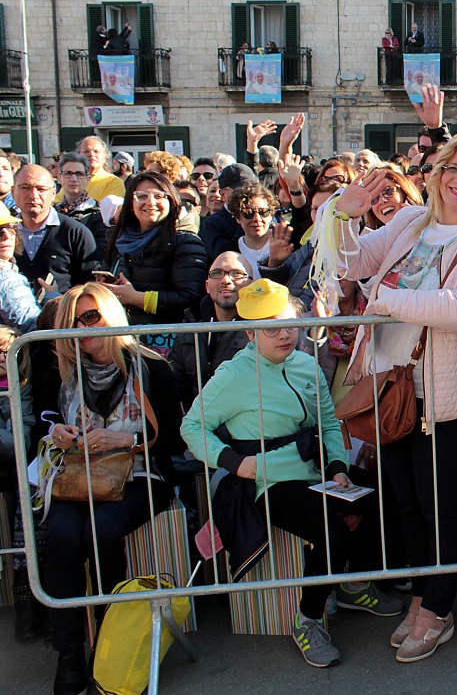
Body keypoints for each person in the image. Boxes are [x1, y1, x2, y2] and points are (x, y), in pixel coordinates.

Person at [315, 130, 457, 663]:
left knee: (440, 506)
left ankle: (439, 609)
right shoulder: (408, 222)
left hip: (441, 397)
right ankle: (423, 594)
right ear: (436, 173)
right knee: (406, 502)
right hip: (387, 385)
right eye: (454, 167)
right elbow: (350, 266)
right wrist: (342, 215)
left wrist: (385, 299)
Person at [182, 280, 398, 669]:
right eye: (270, 328)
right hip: (267, 482)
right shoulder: (232, 375)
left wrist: (337, 467)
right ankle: (308, 619)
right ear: (248, 333)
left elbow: (329, 423)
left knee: (382, 495)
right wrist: (233, 462)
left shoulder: (305, 364)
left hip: (314, 471)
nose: (284, 335)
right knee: (329, 528)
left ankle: (352, 585)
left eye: (289, 325)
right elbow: (192, 426)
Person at [38, 283, 182, 695]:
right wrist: (58, 433)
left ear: (111, 316)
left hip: (141, 474)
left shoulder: (150, 367)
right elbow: (40, 426)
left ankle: (106, 642)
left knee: (101, 530)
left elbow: (174, 438)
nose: (83, 328)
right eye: (73, 321)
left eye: (91, 316)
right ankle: (69, 654)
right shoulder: (61, 372)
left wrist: (128, 441)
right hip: (79, 477)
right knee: (61, 534)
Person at [102, 170, 208, 326]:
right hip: (122, 334)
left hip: (165, 339)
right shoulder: (118, 240)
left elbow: (191, 297)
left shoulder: (184, 242)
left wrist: (138, 298)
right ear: (130, 204)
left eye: (159, 196)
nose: (150, 203)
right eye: (142, 196)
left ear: (171, 202)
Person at [170, 251, 252, 407]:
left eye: (237, 274)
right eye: (217, 273)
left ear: (250, 284)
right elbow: (177, 384)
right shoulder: (190, 325)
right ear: (207, 286)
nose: (226, 280)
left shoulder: (261, 327)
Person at [14, 165, 100, 299]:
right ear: (13, 190)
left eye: (41, 189)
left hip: (62, 315)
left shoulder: (75, 232)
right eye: (25, 188)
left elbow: (91, 284)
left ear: (53, 193)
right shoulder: (6, 233)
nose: (33, 195)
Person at [200, 163, 258, 260]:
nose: (247, 194)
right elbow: (223, 256)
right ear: (223, 194)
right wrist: (243, 219)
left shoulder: (262, 215)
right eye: (240, 190)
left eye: (252, 189)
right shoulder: (213, 223)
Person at [55, 153, 107, 257]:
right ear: (59, 178)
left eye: (79, 174)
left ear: (88, 178)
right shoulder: (52, 212)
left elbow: (100, 252)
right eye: (68, 173)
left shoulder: (99, 214)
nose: (74, 179)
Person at [0, 205, 39, 332]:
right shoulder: (8, 280)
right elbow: (34, 327)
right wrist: (52, 298)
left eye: (11, 228)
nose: (7, 236)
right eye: (0, 231)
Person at [74, 136, 126, 203]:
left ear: (104, 157)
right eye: (86, 151)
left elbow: (110, 211)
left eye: (96, 151)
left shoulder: (113, 182)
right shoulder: (72, 181)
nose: (91, 154)